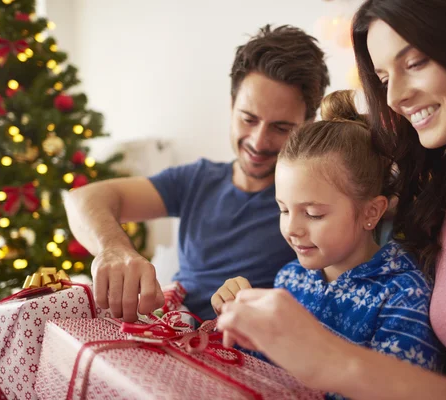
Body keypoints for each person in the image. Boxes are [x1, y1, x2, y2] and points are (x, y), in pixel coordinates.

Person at [216, 0, 446, 398]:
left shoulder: (401, 286)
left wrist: (327, 358)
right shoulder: (444, 186)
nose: (394, 97)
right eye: (382, 76)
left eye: (416, 62)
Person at [64, 25, 330, 322]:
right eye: (248, 119)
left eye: (281, 128)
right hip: (168, 330)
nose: (258, 141)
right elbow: (83, 199)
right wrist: (113, 248)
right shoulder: (197, 180)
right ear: (231, 106)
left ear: (307, 125)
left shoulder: (315, 204)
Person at [211, 91, 442, 378]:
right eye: (283, 210)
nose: (292, 229)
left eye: (313, 214)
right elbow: (267, 374)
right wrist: (238, 322)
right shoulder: (290, 278)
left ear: (371, 212)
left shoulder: (402, 296)